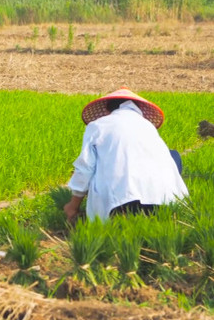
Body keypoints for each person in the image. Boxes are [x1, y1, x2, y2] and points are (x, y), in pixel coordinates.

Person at [64, 87, 188, 221]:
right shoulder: (147, 126)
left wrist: (73, 205)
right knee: (173, 155)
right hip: (165, 202)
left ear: (107, 110)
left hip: (119, 204)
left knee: (99, 167)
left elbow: (85, 167)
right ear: (139, 110)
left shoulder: (98, 125)